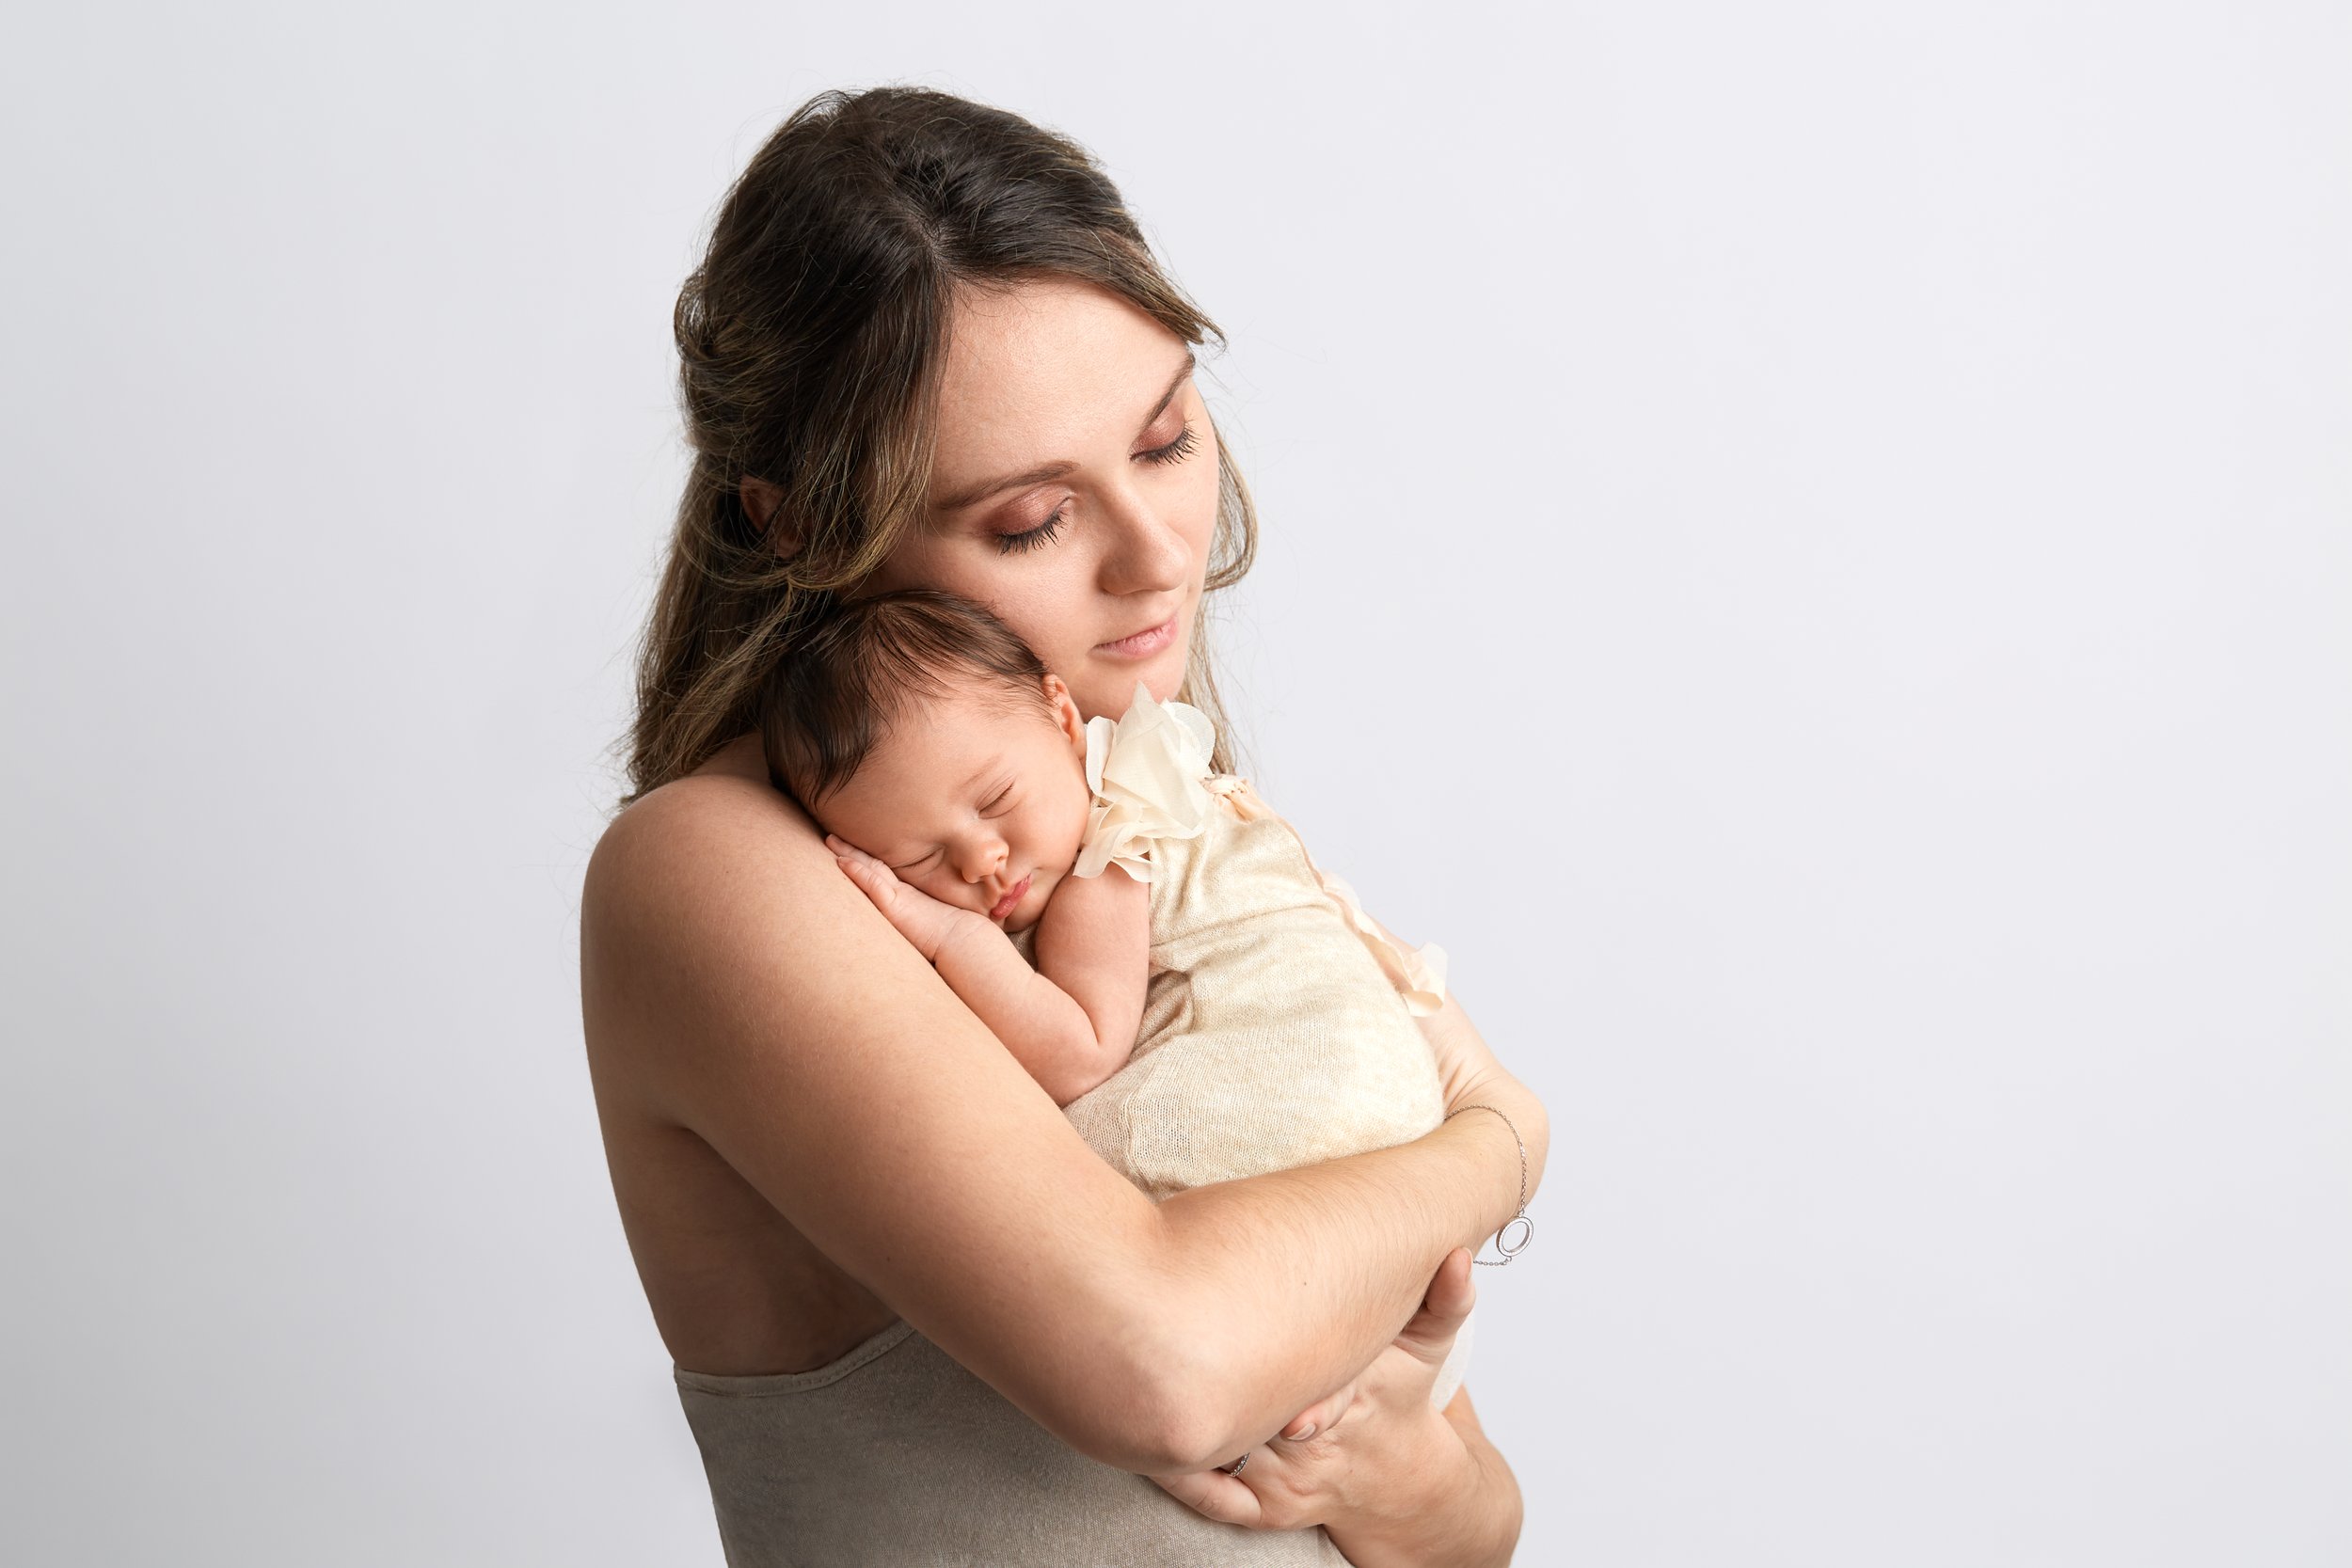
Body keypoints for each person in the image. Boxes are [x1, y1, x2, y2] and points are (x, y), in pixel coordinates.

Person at [580, 84, 1549, 1566]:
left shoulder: (1123, 828)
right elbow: (1164, 1368)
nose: (1160, 554)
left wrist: (1381, 1463)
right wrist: (1498, 1139)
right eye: (1031, 521)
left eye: (1165, 438)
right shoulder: (713, 872)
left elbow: (1475, 1521)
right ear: (795, 525)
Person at [759, 589, 1490, 1419]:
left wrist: (946, 936)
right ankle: (1385, 1364)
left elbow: (1080, 1052)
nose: (985, 861)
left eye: (997, 801)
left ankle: (1335, 1370)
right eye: (920, 858)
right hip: (1385, 1166)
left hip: (1316, 1108)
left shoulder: (1108, 855)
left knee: (1065, 1189)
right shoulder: (1158, 789)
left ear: (1062, 718)